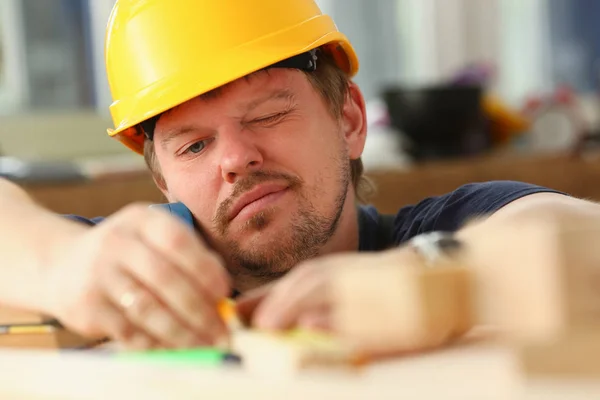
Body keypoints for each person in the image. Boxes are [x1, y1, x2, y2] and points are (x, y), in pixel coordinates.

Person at [0, 0, 598, 353]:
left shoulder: (431, 234)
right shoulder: (141, 276)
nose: (234, 158)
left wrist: (431, 282)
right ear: (163, 183)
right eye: (194, 145)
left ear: (349, 119)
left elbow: (577, 235)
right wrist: (60, 263)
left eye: (268, 115)